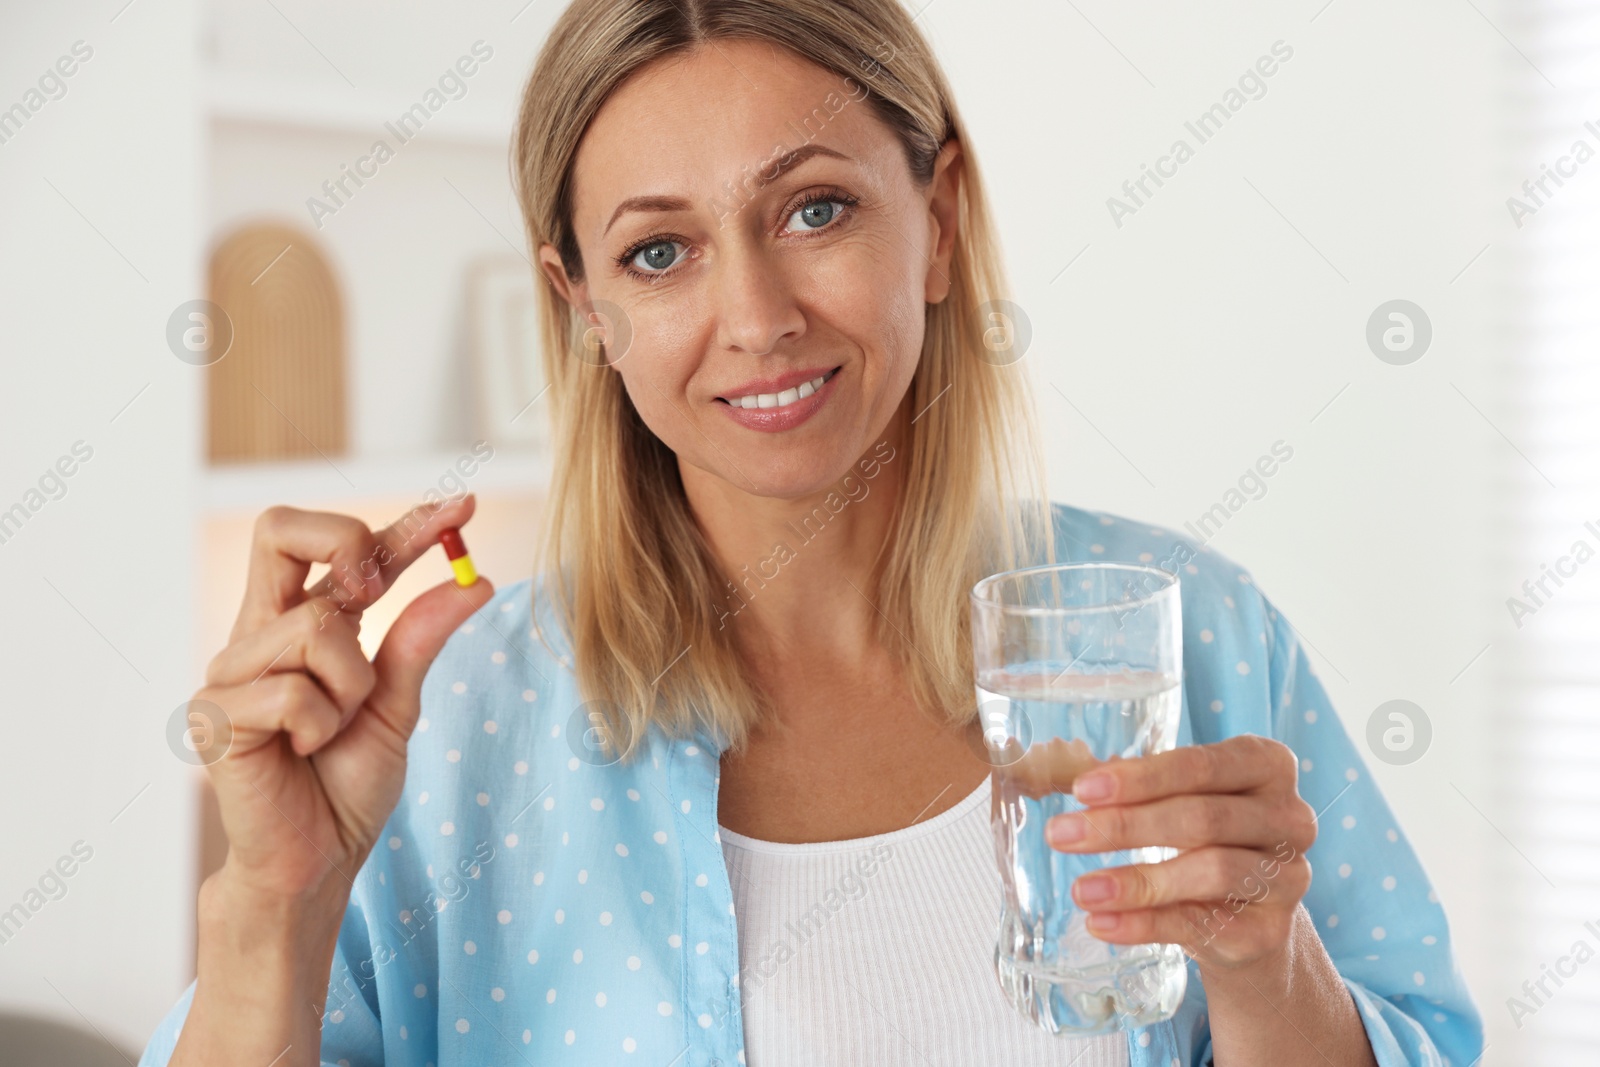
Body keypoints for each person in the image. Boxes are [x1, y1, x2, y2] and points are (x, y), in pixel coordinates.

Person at [139, 1, 1483, 1064]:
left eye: (817, 210)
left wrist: (1265, 968)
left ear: (939, 222)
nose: (759, 314)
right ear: (585, 310)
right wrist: (276, 904)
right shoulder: (452, 721)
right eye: (659, 251)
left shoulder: (1192, 634)